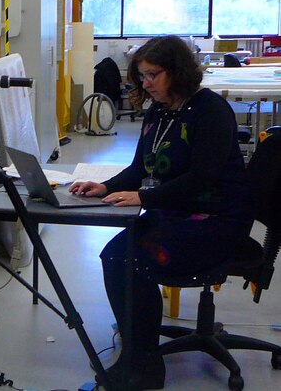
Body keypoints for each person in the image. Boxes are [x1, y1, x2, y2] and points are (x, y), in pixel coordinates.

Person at [69, 35, 254, 390]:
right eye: (142, 75)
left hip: (216, 220)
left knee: (129, 259)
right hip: (177, 212)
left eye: (154, 74)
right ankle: (140, 353)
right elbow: (140, 167)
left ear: (178, 72)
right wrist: (105, 186)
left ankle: (144, 366)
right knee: (115, 256)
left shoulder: (210, 110)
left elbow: (202, 177)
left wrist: (143, 198)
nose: (146, 83)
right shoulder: (160, 111)